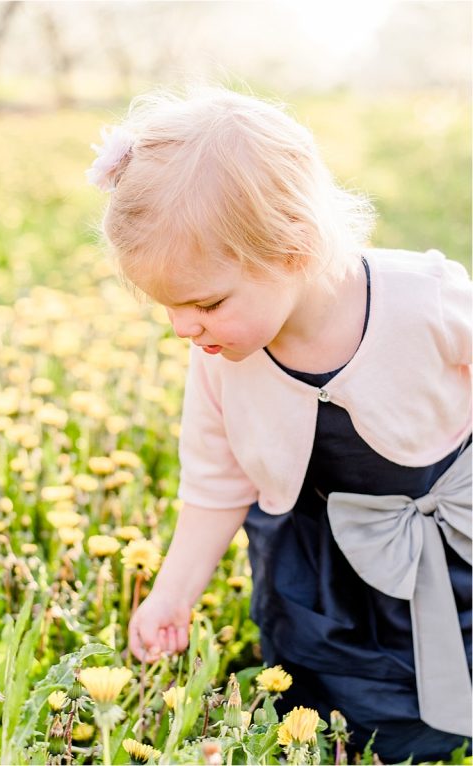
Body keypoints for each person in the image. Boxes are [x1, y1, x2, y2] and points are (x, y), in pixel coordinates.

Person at [87, 86, 471, 762]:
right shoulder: (220, 358)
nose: (182, 328)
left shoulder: (427, 300)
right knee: (325, 700)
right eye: (168, 308)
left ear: (293, 247)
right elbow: (213, 483)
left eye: (204, 302)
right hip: (317, 557)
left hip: (447, 539)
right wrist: (173, 593)